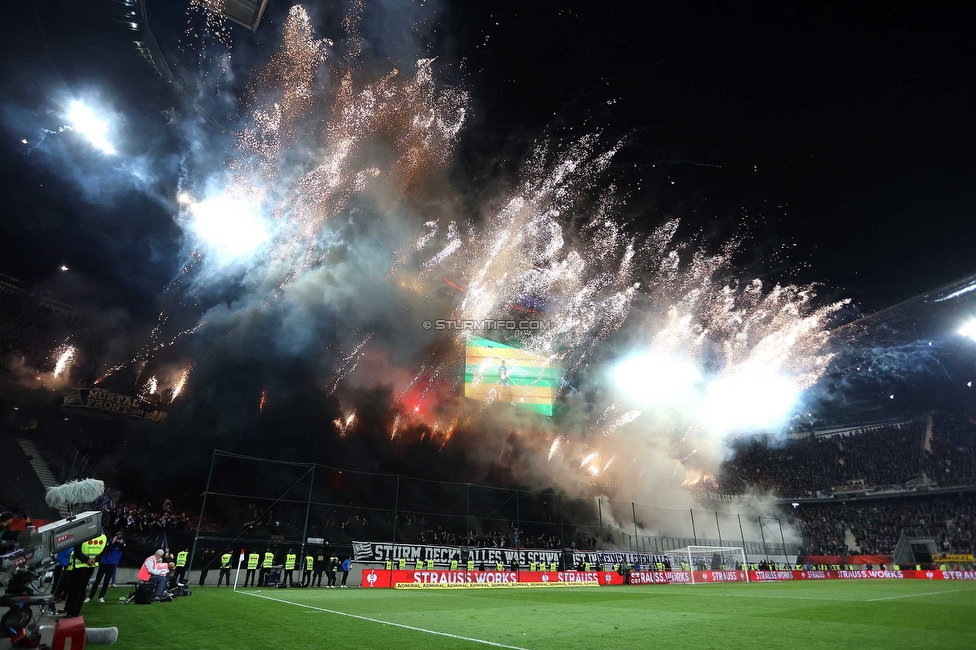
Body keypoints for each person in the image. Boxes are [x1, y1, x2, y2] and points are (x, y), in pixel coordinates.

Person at [65, 533, 107, 617]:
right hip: (91, 566)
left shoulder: (83, 534)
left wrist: (86, 560)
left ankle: (72, 613)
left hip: (79, 566)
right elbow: (104, 552)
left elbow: (77, 551)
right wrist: (95, 560)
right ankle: (75, 611)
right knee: (82, 589)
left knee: (75, 590)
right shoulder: (103, 537)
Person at [87, 533, 124, 603]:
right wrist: (112, 542)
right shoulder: (110, 541)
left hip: (112, 564)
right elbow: (106, 549)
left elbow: (123, 551)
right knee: (97, 581)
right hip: (104, 563)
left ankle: (101, 596)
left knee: (106, 582)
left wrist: (121, 543)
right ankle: (90, 596)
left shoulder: (122, 543)